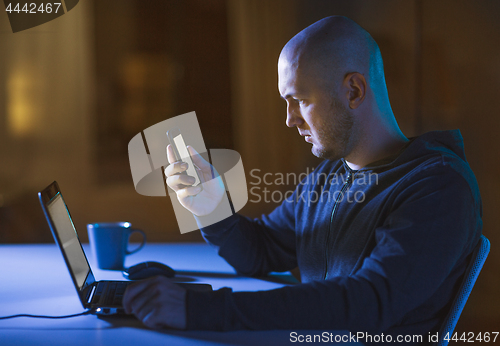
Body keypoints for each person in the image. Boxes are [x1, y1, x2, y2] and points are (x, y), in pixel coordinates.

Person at [123, 16, 482, 343]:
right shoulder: (331, 175)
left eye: (299, 100)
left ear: (354, 91)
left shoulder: (438, 188)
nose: (290, 119)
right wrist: (211, 207)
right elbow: (260, 252)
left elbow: (368, 303)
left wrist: (198, 309)